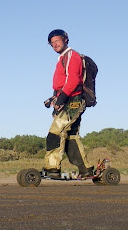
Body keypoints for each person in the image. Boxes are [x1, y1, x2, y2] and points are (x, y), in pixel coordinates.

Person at [43, 29, 93, 179]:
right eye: (51, 43)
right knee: (71, 135)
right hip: (67, 100)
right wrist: (54, 99)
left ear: (65, 40)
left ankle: (52, 167)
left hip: (74, 100)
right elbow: (60, 84)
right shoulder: (62, 59)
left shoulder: (71, 55)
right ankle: (85, 169)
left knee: (56, 131)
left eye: (57, 41)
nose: (54, 44)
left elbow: (73, 80)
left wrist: (62, 98)